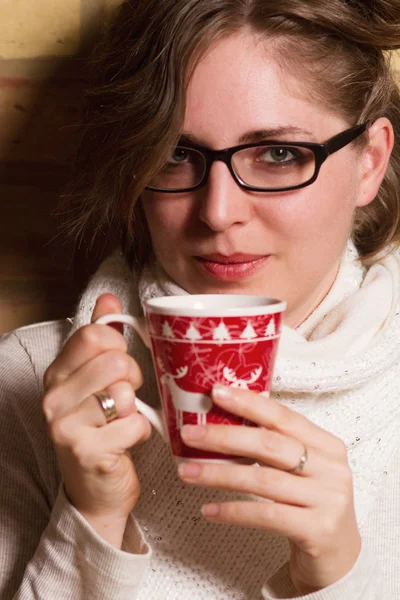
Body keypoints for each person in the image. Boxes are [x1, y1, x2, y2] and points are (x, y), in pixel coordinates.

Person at [1, 0, 400, 598]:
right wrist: (92, 519)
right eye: (176, 154)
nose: (217, 213)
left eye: (279, 154)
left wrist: (341, 577)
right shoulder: (28, 382)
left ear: (370, 161)